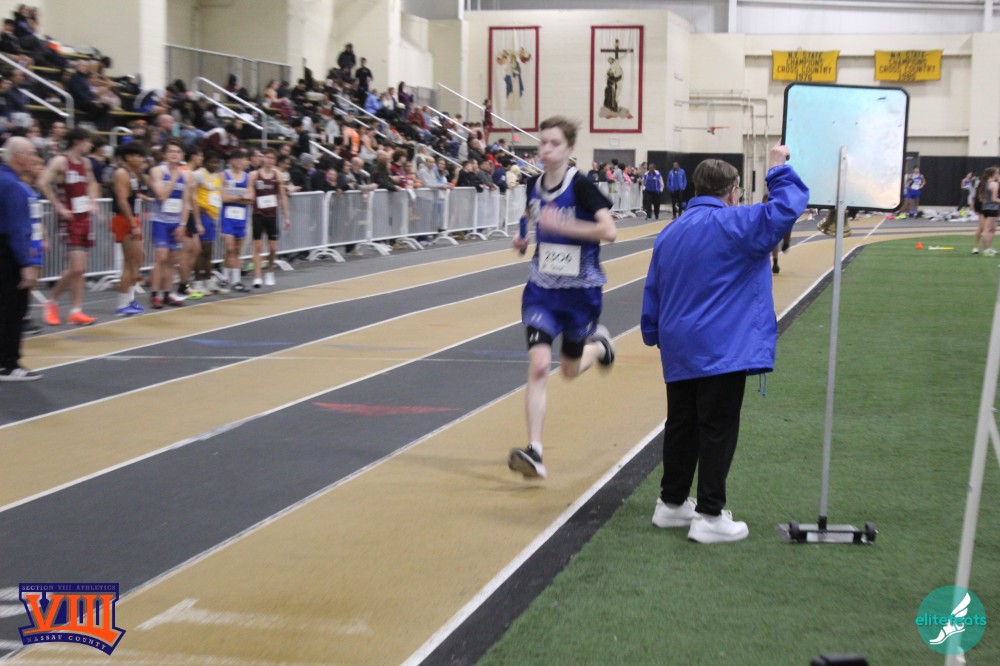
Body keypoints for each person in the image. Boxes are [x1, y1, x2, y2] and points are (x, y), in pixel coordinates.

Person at [640, 143, 808, 543]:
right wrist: (776, 168)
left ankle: (672, 503)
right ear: (732, 192)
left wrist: (652, 332)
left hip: (678, 343)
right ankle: (710, 515)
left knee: (681, 424)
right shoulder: (737, 223)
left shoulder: (670, 232)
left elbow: (654, 289)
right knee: (717, 427)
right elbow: (787, 208)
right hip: (722, 345)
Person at [507, 116, 618, 480]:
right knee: (540, 366)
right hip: (541, 292)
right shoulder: (533, 185)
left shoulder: (581, 186)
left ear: (569, 148)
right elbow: (529, 215)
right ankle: (535, 451)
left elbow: (609, 231)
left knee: (568, 371)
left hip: (580, 294)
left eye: (554, 143)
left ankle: (599, 348)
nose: (546, 149)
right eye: (542, 142)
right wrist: (523, 238)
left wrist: (566, 226)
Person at [38, 127, 99, 326]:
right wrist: (58, 206)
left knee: (80, 269)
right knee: (77, 267)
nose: (90, 145)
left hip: (84, 216)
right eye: (88, 141)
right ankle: (52, 301)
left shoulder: (86, 163)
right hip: (70, 218)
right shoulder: (61, 161)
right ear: (77, 141)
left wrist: (93, 202)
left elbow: (93, 184)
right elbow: (43, 182)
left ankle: (76, 310)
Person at [0, 136, 42, 380]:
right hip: (8, 253)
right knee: (13, 309)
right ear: (18, 156)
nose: (34, 158)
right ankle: (8, 363)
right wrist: (26, 263)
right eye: (31, 153)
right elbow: (16, 228)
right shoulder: (12, 185)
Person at [148, 138, 191, 308]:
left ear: (182, 155)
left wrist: (182, 224)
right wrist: (173, 179)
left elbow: (186, 202)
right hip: (160, 220)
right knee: (161, 257)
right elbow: (161, 195)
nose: (174, 154)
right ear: (165, 154)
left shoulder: (186, 175)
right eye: (171, 151)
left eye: (178, 152)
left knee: (173, 259)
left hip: (176, 221)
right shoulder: (157, 171)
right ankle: (155, 294)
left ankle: (167, 293)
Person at [110, 141, 150, 315]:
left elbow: (131, 194)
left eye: (142, 156)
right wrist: (132, 224)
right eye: (138, 156)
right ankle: (122, 303)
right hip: (124, 219)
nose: (141, 159)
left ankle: (130, 299)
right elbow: (122, 200)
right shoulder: (121, 173)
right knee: (130, 262)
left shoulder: (132, 174)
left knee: (138, 259)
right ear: (128, 157)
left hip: (131, 218)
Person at [246, 148, 291, 287]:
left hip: (272, 215)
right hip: (258, 214)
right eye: (267, 157)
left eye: (272, 158)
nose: (270, 160)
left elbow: (282, 196)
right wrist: (248, 196)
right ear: (263, 158)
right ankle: (257, 276)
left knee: (273, 248)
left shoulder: (278, 175)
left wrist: (286, 216)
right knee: (257, 246)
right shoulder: (254, 175)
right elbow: (250, 191)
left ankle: (270, 271)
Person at [192, 150, 226, 294]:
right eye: (212, 162)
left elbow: (217, 195)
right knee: (200, 251)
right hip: (203, 215)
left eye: (217, 163)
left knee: (209, 250)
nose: (215, 165)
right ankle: (197, 281)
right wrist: (198, 213)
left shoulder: (217, 176)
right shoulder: (198, 174)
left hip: (213, 216)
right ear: (205, 162)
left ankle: (209, 280)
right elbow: (192, 194)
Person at [221, 149, 252, 291]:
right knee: (229, 247)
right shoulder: (224, 175)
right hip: (227, 216)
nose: (239, 162)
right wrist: (240, 198)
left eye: (241, 159)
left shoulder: (247, 177)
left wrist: (234, 198)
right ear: (231, 161)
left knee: (237, 249)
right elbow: (223, 197)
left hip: (241, 217)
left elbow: (250, 198)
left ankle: (233, 279)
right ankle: (228, 278)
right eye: (236, 159)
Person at [972, 167, 999, 256]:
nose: (998, 175)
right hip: (986, 207)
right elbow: (992, 198)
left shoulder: (991, 182)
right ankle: (980, 248)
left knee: (992, 229)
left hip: (988, 206)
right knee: (984, 228)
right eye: (997, 173)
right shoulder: (988, 183)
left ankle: (988, 248)